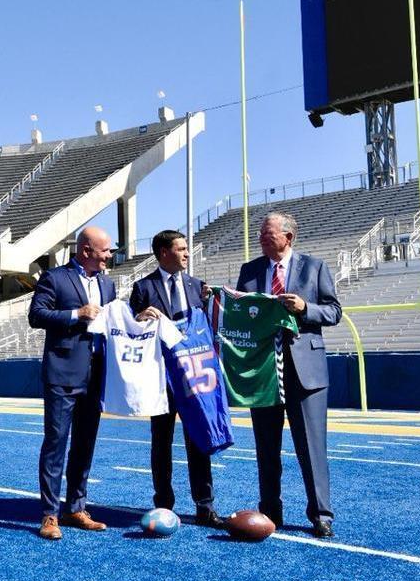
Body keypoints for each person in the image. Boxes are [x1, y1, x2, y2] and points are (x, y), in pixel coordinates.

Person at [235, 212, 342, 538]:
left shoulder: (315, 267)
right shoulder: (250, 270)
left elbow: (335, 311)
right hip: (264, 370)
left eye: (268, 235)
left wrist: (304, 308)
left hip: (305, 372)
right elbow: (240, 313)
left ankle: (321, 513)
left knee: (311, 447)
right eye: (260, 235)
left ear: (288, 238)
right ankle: (270, 510)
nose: (261, 240)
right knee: (266, 446)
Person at [130, 230, 225, 528]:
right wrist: (139, 319)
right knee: (162, 442)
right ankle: (164, 504)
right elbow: (131, 332)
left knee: (199, 438)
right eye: (181, 249)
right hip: (161, 378)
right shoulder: (142, 287)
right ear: (163, 253)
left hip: (194, 376)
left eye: (187, 249)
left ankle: (205, 505)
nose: (187, 254)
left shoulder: (198, 287)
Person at [28, 226, 117, 540]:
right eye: (106, 250)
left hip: (96, 375)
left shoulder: (108, 284)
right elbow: (36, 315)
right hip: (62, 373)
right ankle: (50, 515)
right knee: (56, 444)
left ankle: (76, 507)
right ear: (87, 250)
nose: (110, 255)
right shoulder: (55, 278)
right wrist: (74, 314)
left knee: (84, 444)